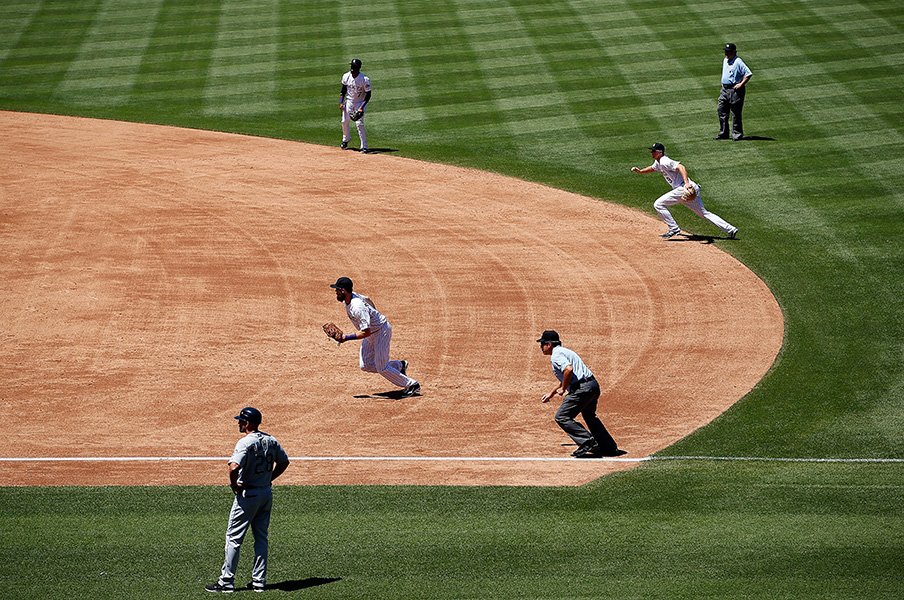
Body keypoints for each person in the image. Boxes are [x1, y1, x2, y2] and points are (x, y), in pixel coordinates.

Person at [206, 407, 290, 594]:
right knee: (261, 538)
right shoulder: (271, 440)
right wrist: (269, 479)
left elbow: (233, 467)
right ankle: (259, 582)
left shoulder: (245, 443)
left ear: (247, 423)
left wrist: (234, 485)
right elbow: (284, 462)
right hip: (266, 494)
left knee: (234, 539)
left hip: (248, 496)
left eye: (241, 421)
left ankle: (226, 581)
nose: (238, 423)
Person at [537, 330, 625, 459]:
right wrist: (552, 392)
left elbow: (568, 370)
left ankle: (587, 441)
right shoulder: (565, 351)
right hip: (592, 385)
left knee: (562, 416)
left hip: (582, 389)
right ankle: (609, 447)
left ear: (549, 344)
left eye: (542, 344)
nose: (541, 347)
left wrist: (564, 388)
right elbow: (566, 376)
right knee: (590, 416)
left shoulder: (556, 355)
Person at [330, 277, 421, 397]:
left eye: (337, 290)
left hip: (380, 332)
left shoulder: (357, 307)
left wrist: (345, 338)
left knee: (382, 368)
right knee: (365, 365)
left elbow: (365, 332)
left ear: (343, 290)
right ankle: (400, 365)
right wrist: (374, 314)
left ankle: (412, 385)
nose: (335, 292)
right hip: (372, 332)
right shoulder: (352, 296)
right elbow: (367, 298)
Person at [631, 142, 738, 239]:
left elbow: (681, 167)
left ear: (660, 152)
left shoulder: (664, 161)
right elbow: (652, 168)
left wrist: (686, 183)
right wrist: (640, 171)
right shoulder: (659, 162)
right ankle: (731, 229)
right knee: (704, 213)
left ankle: (674, 228)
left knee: (658, 204)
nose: (651, 153)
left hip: (683, 188)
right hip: (689, 189)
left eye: (653, 151)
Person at [715, 43, 752, 141]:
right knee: (721, 110)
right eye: (725, 51)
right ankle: (724, 133)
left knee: (736, 113)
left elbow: (748, 74)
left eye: (728, 51)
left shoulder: (738, 61)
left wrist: (741, 84)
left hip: (735, 90)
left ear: (733, 52)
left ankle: (737, 134)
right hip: (724, 90)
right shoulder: (725, 60)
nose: (726, 53)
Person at [339, 58, 371, 153]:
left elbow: (368, 95)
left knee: (359, 124)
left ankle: (364, 146)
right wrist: (341, 102)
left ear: (358, 68)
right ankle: (346, 139)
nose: (352, 69)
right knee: (344, 121)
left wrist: (361, 107)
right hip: (349, 102)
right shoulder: (346, 76)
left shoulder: (364, 79)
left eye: (353, 67)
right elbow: (343, 91)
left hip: (359, 103)